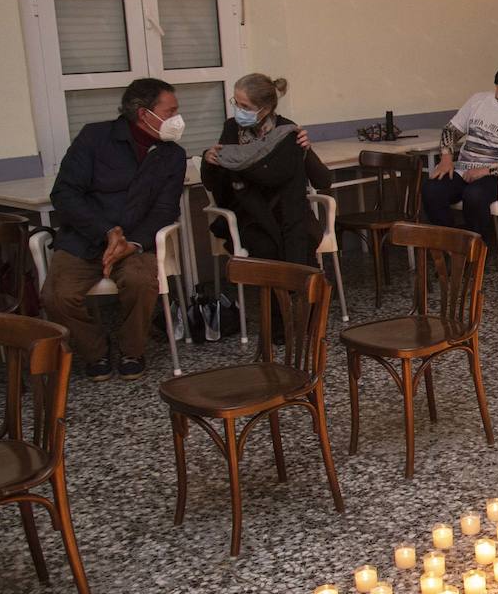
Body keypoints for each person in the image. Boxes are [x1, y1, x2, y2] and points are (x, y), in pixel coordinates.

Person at [45, 78, 185, 381]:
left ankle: (132, 349)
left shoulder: (171, 154)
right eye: (170, 110)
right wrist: (106, 231)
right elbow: (65, 194)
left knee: (140, 281)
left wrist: (131, 244)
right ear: (144, 113)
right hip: (83, 237)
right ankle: (94, 352)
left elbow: (165, 209)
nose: (177, 118)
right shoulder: (95, 137)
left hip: (137, 241)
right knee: (56, 296)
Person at [201, 74, 326, 267]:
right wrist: (210, 160)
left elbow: (323, 181)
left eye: (245, 107)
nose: (238, 111)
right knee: (267, 248)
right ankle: (282, 296)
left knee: (301, 240)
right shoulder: (232, 129)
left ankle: (300, 294)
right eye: (236, 103)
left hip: (289, 211)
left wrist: (307, 151)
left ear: (265, 109)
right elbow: (216, 183)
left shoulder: (286, 131)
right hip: (248, 213)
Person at [424, 56, 498, 246]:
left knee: (475, 194)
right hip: (464, 170)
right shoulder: (478, 100)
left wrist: (485, 171)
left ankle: (478, 253)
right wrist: (446, 158)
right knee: (432, 188)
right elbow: (451, 130)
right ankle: (452, 246)